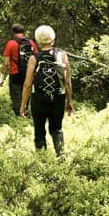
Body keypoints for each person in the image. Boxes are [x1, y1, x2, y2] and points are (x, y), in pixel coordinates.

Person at [20, 25, 73, 156]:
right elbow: (67, 82)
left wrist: (23, 105)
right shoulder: (62, 55)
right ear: (53, 39)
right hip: (58, 99)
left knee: (39, 130)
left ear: (38, 41)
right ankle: (61, 155)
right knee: (57, 129)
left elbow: (27, 84)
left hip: (38, 99)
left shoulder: (34, 59)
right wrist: (69, 102)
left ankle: (42, 160)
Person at [1, 24, 38, 116]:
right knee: (26, 93)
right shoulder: (31, 43)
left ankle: (19, 116)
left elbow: (6, 63)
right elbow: (37, 57)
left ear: (13, 32)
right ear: (23, 32)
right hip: (29, 73)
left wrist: (2, 78)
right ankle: (25, 112)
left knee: (16, 96)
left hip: (15, 73)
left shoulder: (11, 43)